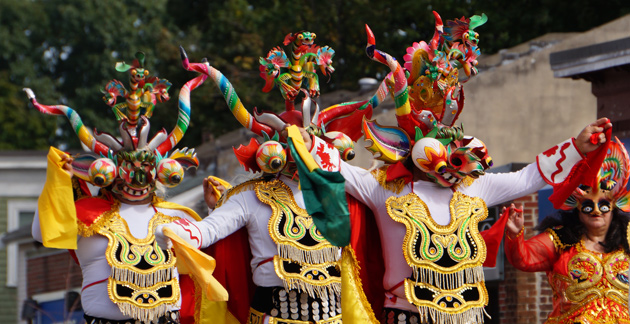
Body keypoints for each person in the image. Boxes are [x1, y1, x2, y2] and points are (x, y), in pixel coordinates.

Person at [292, 16, 614, 324]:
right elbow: (333, 169)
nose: (448, 156)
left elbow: (528, 177)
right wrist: (307, 141)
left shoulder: (474, 187)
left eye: (450, 141)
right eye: (434, 142)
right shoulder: (381, 188)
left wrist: (576, 146)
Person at [154, 31, 394, 324]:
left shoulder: (338, 186)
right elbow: (208, 231)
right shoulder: (251, 196)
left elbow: (381, 190)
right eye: (292, 144)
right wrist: (176, 231)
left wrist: (394, 80)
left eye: (307, 142)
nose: (300, 153)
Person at [28, 49, 218, 324]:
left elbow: (215, 251)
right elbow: (41, 232)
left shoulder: (179, 217)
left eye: (145, 169)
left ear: (160, 171)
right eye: (129, 168)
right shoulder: (87, 215)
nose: (138, 179)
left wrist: (214, 210)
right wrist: (59, 181)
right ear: (111, 171)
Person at [504, 138, 630, 324]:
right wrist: (515, 234)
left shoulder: (627, 241)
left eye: (603, 205)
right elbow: (523, 258)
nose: (596, 211)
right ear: (577, 208)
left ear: (615, 207)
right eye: (588, 206)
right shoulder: (560, 240)